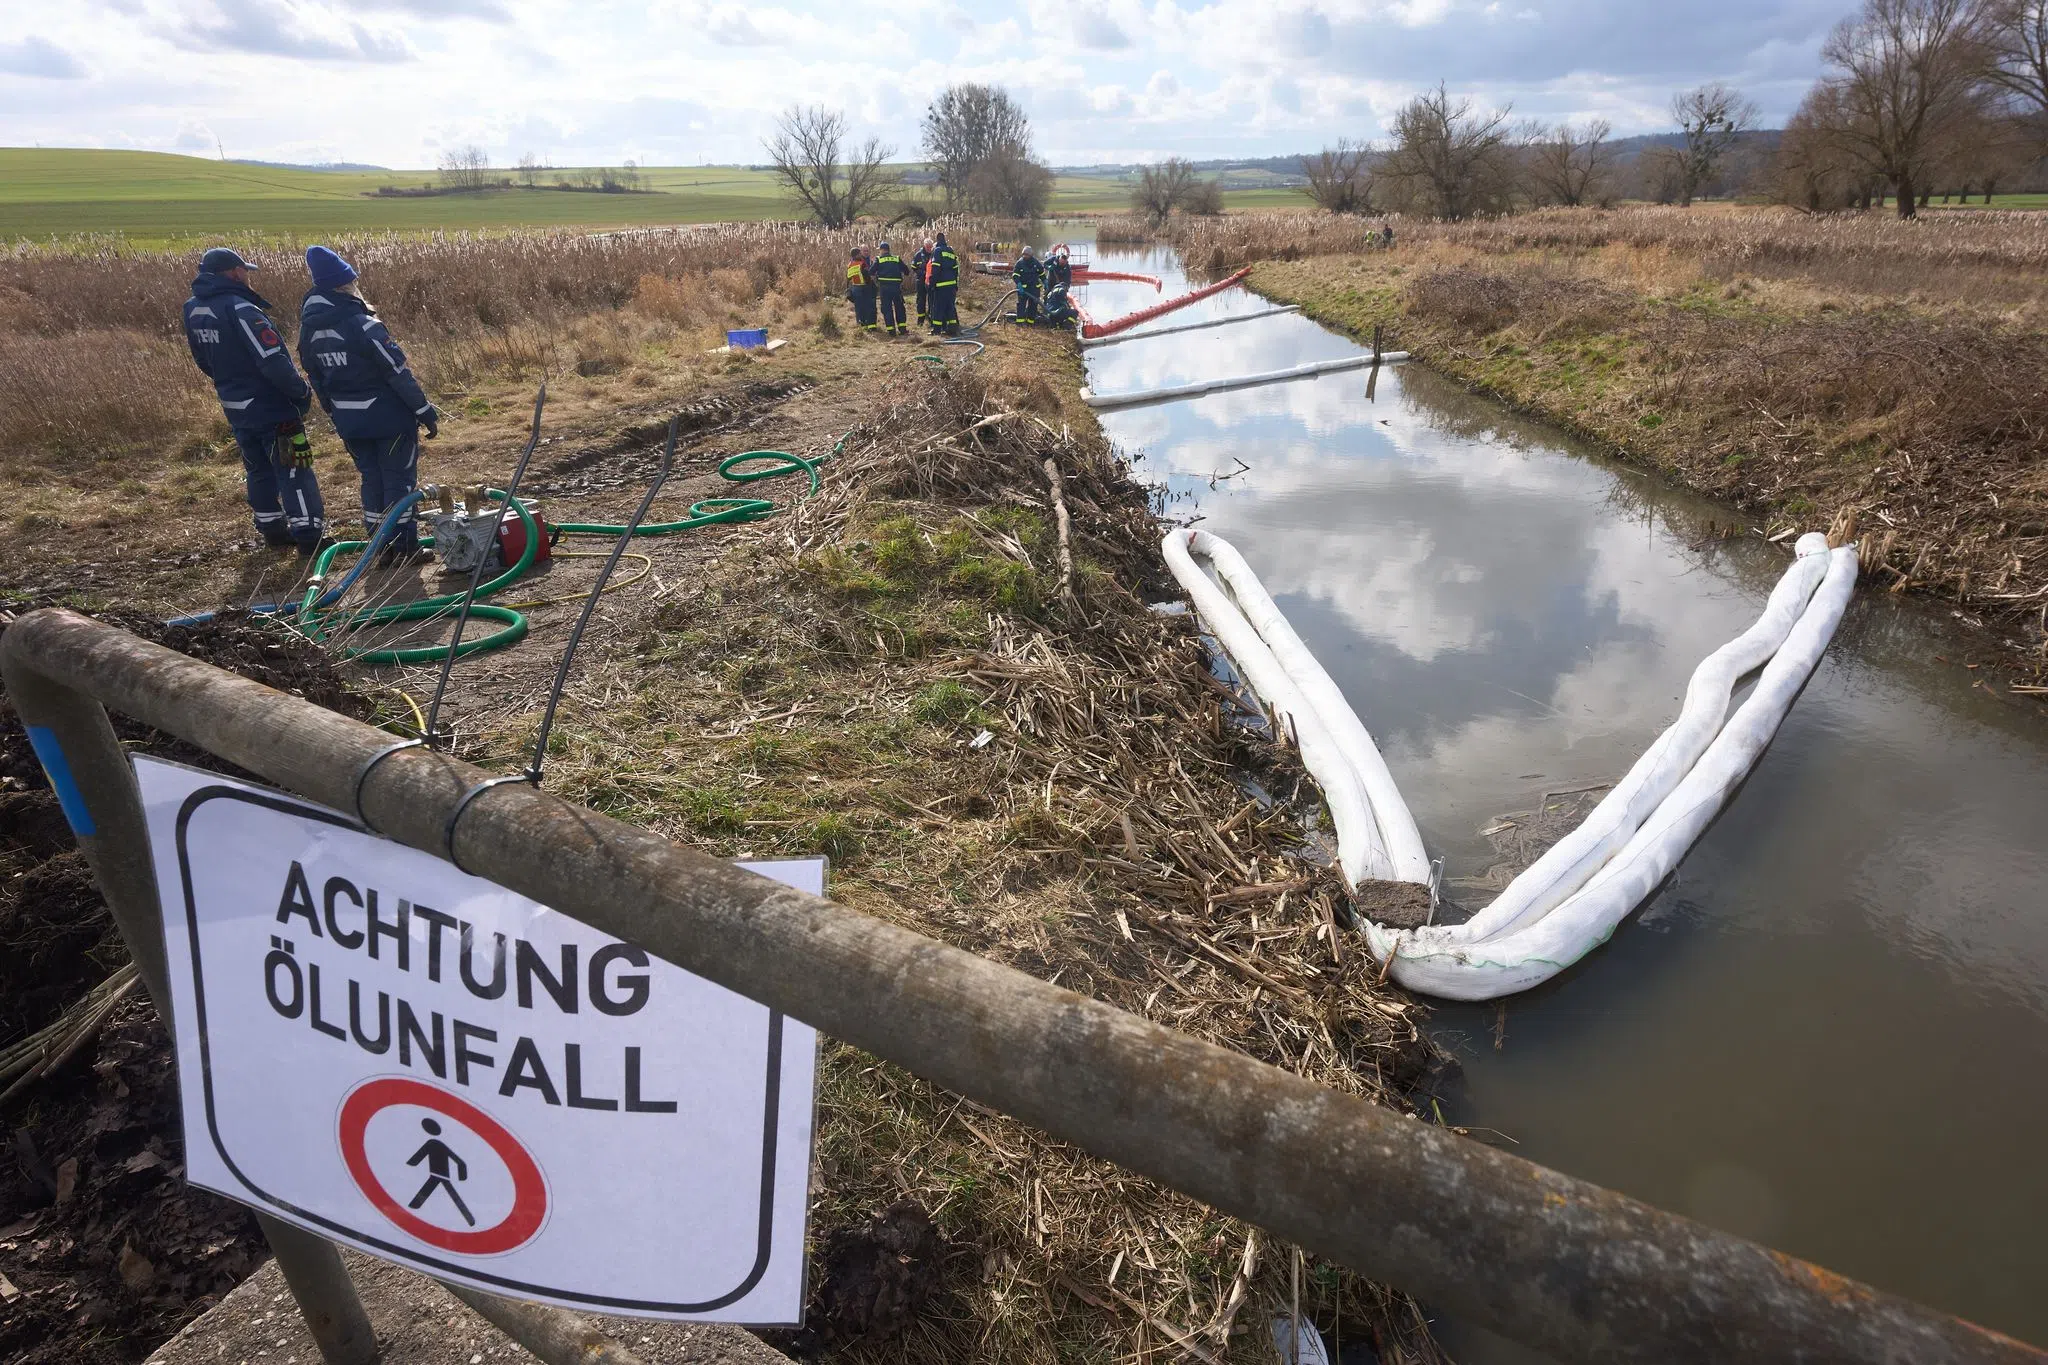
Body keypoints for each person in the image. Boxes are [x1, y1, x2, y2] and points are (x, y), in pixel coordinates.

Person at [297, 245, 440, 567]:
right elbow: (397, 373)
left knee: (371, 480)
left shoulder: (308, 330)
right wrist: (424, 411)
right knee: (398, 482)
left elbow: (315, 377)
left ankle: (380, 548)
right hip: (389, 419)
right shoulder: (363, 324)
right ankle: (405, 548)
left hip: (349, 421)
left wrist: (335, 413)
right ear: (343, 285)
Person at [181, 246, 327, 554]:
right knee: (294, 468)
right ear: (235, 272)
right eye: (245, 270)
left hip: (235, 406)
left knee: (257, 469)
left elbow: (202, 359)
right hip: (272, 408)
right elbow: (272, 361)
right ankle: (309, 536)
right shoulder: (243, 310)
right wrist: (301, 392)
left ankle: (272, 530)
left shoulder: (193, 309)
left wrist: (230, 385)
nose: (248, 275)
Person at [871, 241, 909, 336]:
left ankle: (891, 331)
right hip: (896, 288)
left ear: (882, 250)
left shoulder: (879, 259)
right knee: (899, 308)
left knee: (887, 308)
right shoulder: (896, 258)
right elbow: (907, 271)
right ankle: (902, 329)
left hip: (884, 288)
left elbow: (871, 272)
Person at [926, 233, 960, 336]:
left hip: (941, 285)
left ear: (937, 240)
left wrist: (932, 283)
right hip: (951, 285)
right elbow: (956, 269)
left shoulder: (937, 251)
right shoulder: (950, 251)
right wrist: (955, 284)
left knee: (938, 308)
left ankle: (936, 330)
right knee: (950, 307)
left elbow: (935, 268)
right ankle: (952, 329)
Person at [845, 248, 878, 334]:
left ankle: (861, 326)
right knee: (868, 306)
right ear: (856, 254)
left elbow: (848, 278)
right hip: (864, 287)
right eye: (859, 253)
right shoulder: (861, 264)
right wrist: (872, 283)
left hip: (855, 287)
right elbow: (866, 276)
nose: (861, 254)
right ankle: (870, 326)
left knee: (859, 308)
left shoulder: (850, 264)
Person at [1011, 245, 1044, 325]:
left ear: (1031, 255)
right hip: (1023, 289)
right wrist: (1019, 284)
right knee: (1021, 306)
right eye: (1024, 254)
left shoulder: (1036, 263)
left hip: (1034, 289)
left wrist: (1045, 281)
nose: (1025, 256)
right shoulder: (1019, 263)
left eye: (1027, 255)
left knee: (1033, 306)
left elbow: (1041, 273)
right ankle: (1020, 323)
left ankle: (1030, 322)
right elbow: (1015, 275)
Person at [910, 239, 933, 329]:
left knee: (931, 300)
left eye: (930, 247)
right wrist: (921, 273)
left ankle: (931, 318)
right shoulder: (919, 254)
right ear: (924, 246)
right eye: (928, 247)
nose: (929, 249)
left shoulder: (934, 253)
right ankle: (921, 319)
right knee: (920, 300)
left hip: (931, 280)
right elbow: (913, 266)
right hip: (921, 280)